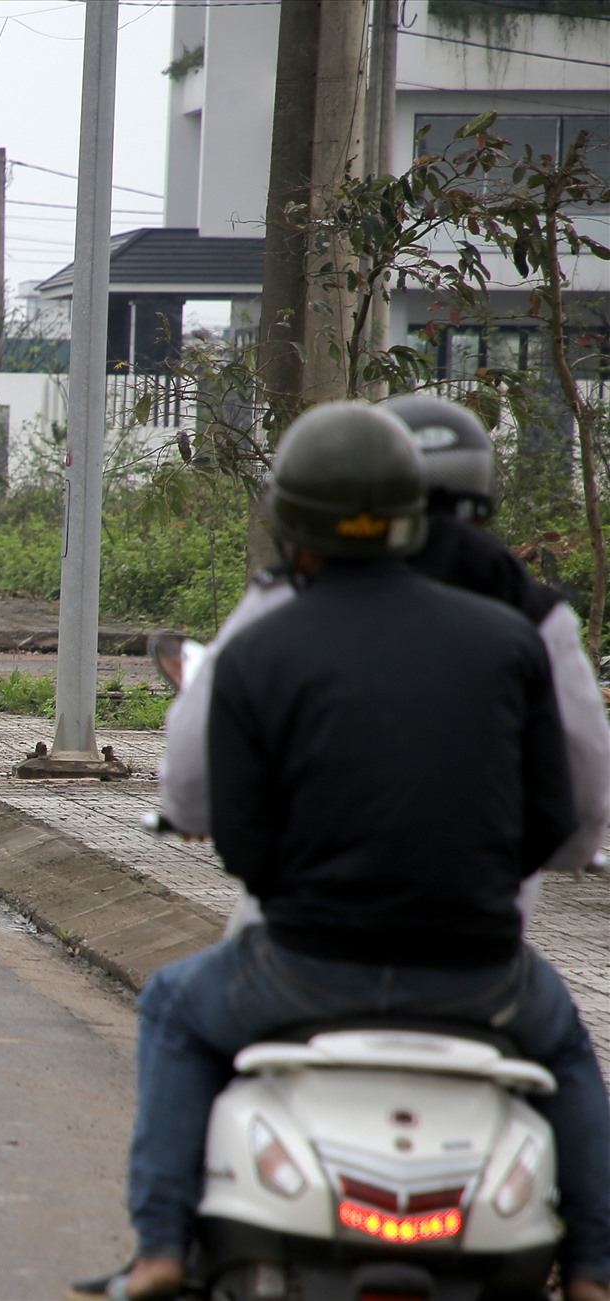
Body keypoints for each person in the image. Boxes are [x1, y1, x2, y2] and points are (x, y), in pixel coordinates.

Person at [102, 402, 609, 1301]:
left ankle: (161, 1247)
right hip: (480, 972)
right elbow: (556, 814)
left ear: (291, 521)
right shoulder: (512, 636)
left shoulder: (259, 644)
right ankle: (595, 1269)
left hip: (304, 965)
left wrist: (299, 886)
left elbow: (242, 840)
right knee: (568, 1048)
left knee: (175, 1008)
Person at [162, 393, 609, 877]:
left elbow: (193, 776)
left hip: (305, 929)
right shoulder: (533, 617)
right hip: (479, 928)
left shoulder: (293, 595)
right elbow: (581, 788)